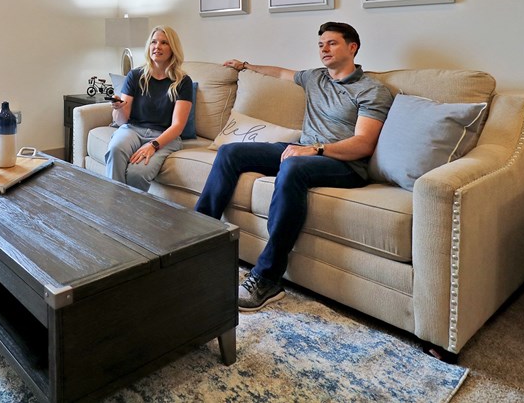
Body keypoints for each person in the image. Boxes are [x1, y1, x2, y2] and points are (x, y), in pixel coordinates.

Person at [195, 22, 393, 311]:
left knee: (293, 167)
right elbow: (280, 73)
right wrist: (246, 65)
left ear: (353, 47)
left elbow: (363, 143)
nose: (324, 49)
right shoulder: (315, 77)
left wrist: (316, 148)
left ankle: (268, 277)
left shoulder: (371, 90)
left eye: (332, 43)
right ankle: (200, 236)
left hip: (344, 164)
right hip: (304, 151)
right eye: (321, 44)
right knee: (230, 152)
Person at [105, 26, 193, 191]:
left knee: (137, 173)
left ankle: (133, 214)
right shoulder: (135, 75)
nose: (157, 46)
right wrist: (118, 108)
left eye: (164, 43)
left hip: (165, 136)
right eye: (154, 42)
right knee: (116, 149)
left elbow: (178, 126)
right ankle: (115, 209)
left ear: (173, 48)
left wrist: (153, 145)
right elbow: (122, 120)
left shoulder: (183, 81)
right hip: (132, 129)